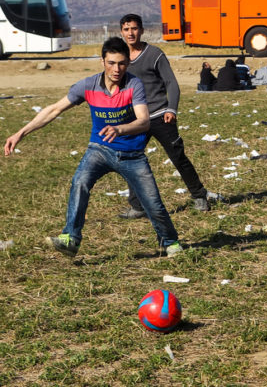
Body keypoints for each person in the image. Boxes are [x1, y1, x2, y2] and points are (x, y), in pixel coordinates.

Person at [3, 38, 182, 257]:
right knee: (80, 182)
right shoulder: (88, 85)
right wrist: (20, 133)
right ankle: (71, 238)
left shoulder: (134, 85)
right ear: (102, 61)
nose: (117, 69)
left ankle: (169, 242)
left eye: (122, 63)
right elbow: (54, 109)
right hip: (99, 150)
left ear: (128, 63)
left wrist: (120, 129)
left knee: (152, 202)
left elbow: (144, 121)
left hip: (132, 154)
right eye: (111, 63)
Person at [118, 14, 211, 218]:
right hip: (136, 120)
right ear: (121, 32)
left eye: (134, 28)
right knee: (131, 160)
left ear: (141, 30)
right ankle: (137, 206)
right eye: (126, 29)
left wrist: (172, 109)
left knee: (178, 157)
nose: (131, 33)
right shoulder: (120, 58)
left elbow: (171, 83)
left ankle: (199, 195)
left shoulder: (154, 54)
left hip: (161, 115)